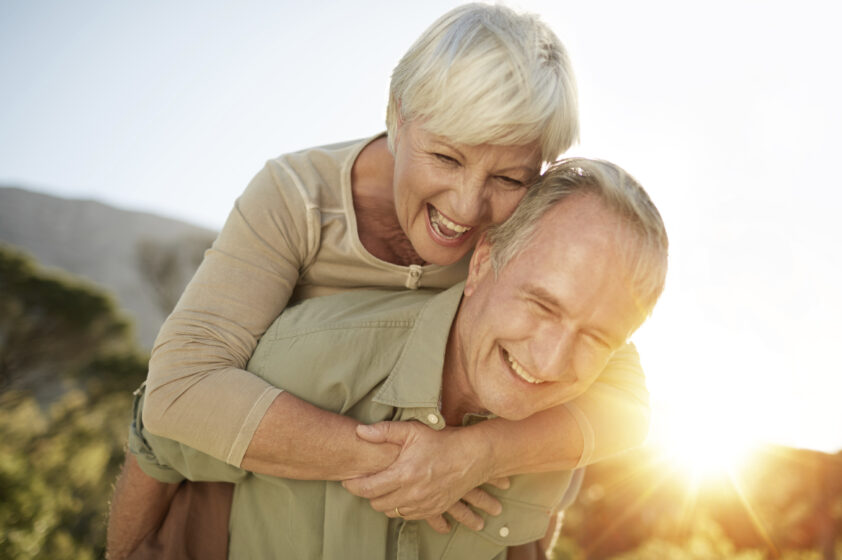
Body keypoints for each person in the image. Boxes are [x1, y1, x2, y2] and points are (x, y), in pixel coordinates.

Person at [107, 3, 650, 557]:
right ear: (397, 113)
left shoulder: (528, 227)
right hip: (277, 503)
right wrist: (403, 464)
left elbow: (626, 404)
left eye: (509, 176)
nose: (467, 207)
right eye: (445, 157)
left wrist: (479, 455)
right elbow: (178, 391)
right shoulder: (295, 198)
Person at [122, 158, 668, 559]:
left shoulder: (570, 425)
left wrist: (483, 455)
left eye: (595, 337)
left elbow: (531, 534)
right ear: (482, 263)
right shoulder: (307, 356)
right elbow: (158, 441)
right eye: (541, 305)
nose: (550, 362)